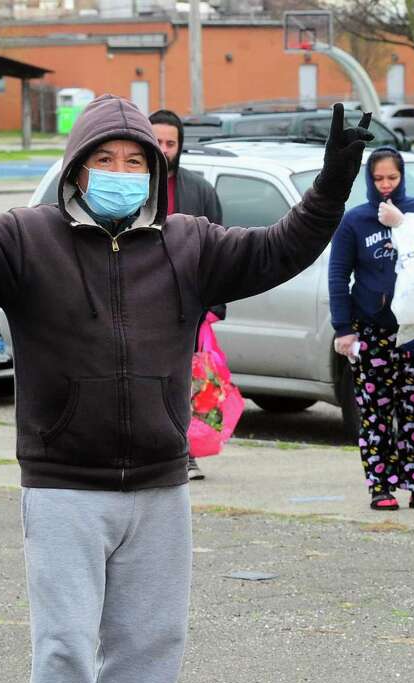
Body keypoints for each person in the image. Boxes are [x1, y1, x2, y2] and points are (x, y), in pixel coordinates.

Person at [0, 93, 372, 683]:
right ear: (76, 170)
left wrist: (334, 182)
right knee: (64, 645)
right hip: (64, 482)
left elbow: (282, 246)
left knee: (152, 643)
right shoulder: (26, 238)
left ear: (157, 173)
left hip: (160, 483)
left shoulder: (190, 243)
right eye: (105, 160)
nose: (121, 171)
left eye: (136, 161)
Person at [328, 147, 414, 511]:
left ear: (402, 178)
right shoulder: (355, 221)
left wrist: (403, 223)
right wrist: (343, 329)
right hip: (372, 330)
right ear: (369, 180)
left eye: (392, 179)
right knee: (376, 411)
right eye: (379, 179)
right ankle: (380, 486)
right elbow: (338, 275)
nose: (385, 186)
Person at [149, 108, 224, 481]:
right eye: (156, 141)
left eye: (170, 143)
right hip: (140, 302)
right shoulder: (132, 183)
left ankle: (186, 451)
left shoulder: (199, 190)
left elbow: (221, 249)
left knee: (184, 381)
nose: (163, 149)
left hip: (188, 306)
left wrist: (214, 305)